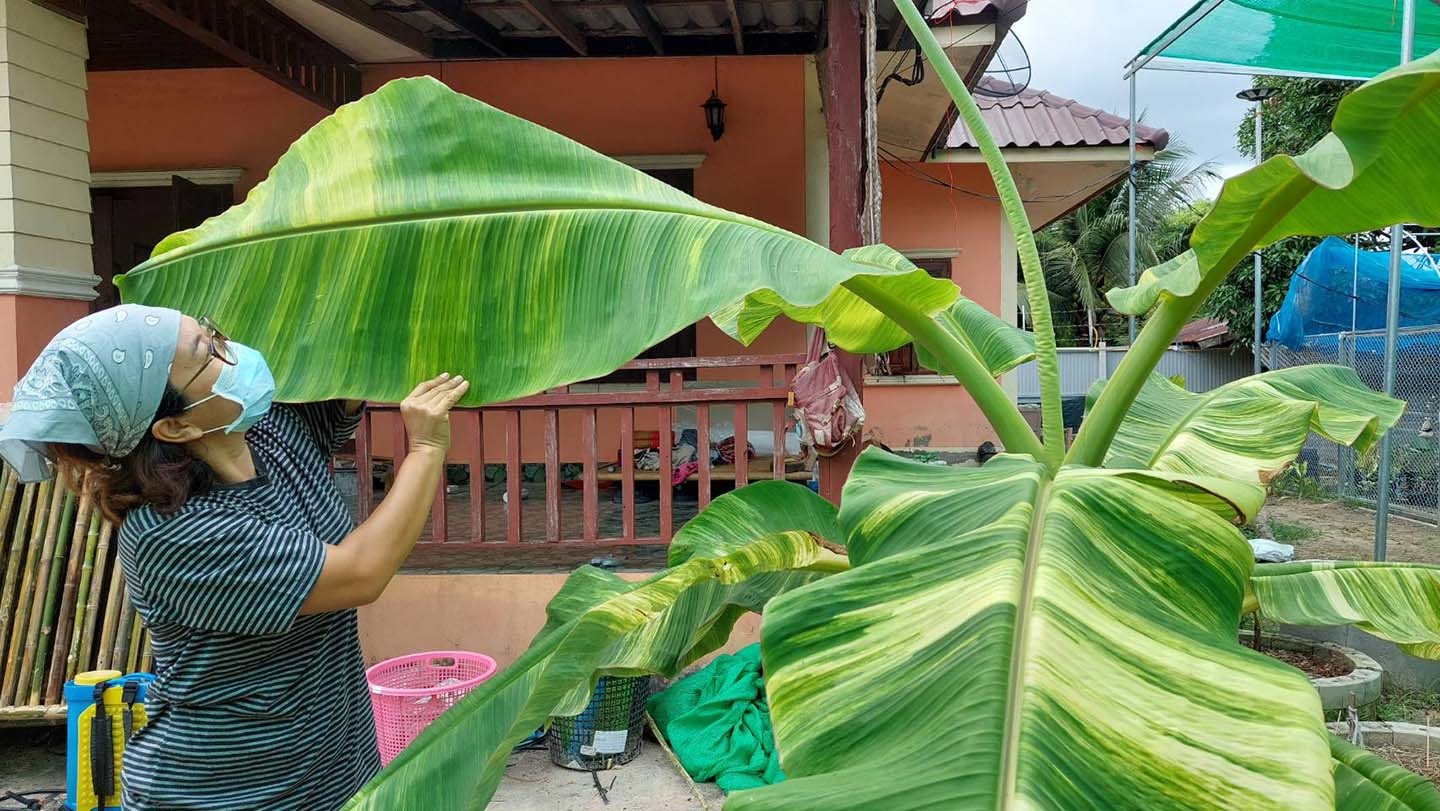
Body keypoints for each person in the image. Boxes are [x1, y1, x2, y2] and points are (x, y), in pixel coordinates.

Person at [0, 304, 468, 810]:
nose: (233, 353)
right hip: (226, 791)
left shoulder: (265, 431)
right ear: (175, 428)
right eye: (208, 353)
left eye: (213, 335)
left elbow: (346, 373)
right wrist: (424, 447)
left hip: (332, 769)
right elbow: (360, 574)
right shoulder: (173, 534)